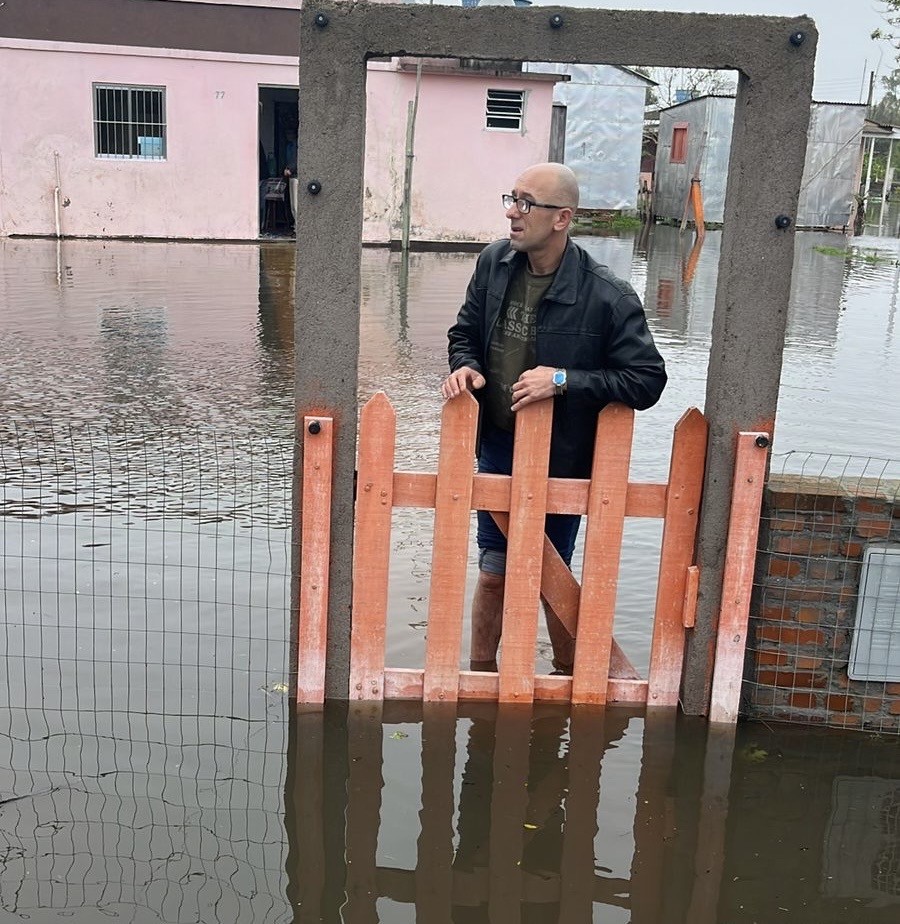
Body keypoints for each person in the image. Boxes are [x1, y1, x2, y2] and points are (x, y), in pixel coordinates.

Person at [440, 162, 667, 675]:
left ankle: (569, 683)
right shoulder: (494, 263)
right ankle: (480, 680)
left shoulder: (607, 296)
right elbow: (464, 333)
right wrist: (467, 369)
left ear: (562, 218)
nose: (511, 213)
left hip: (563, 454)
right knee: (494, 572)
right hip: (498, 442)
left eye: (525, 203)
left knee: (552, 578)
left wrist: (563, 380)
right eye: (511, 198)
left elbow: (647, 380)